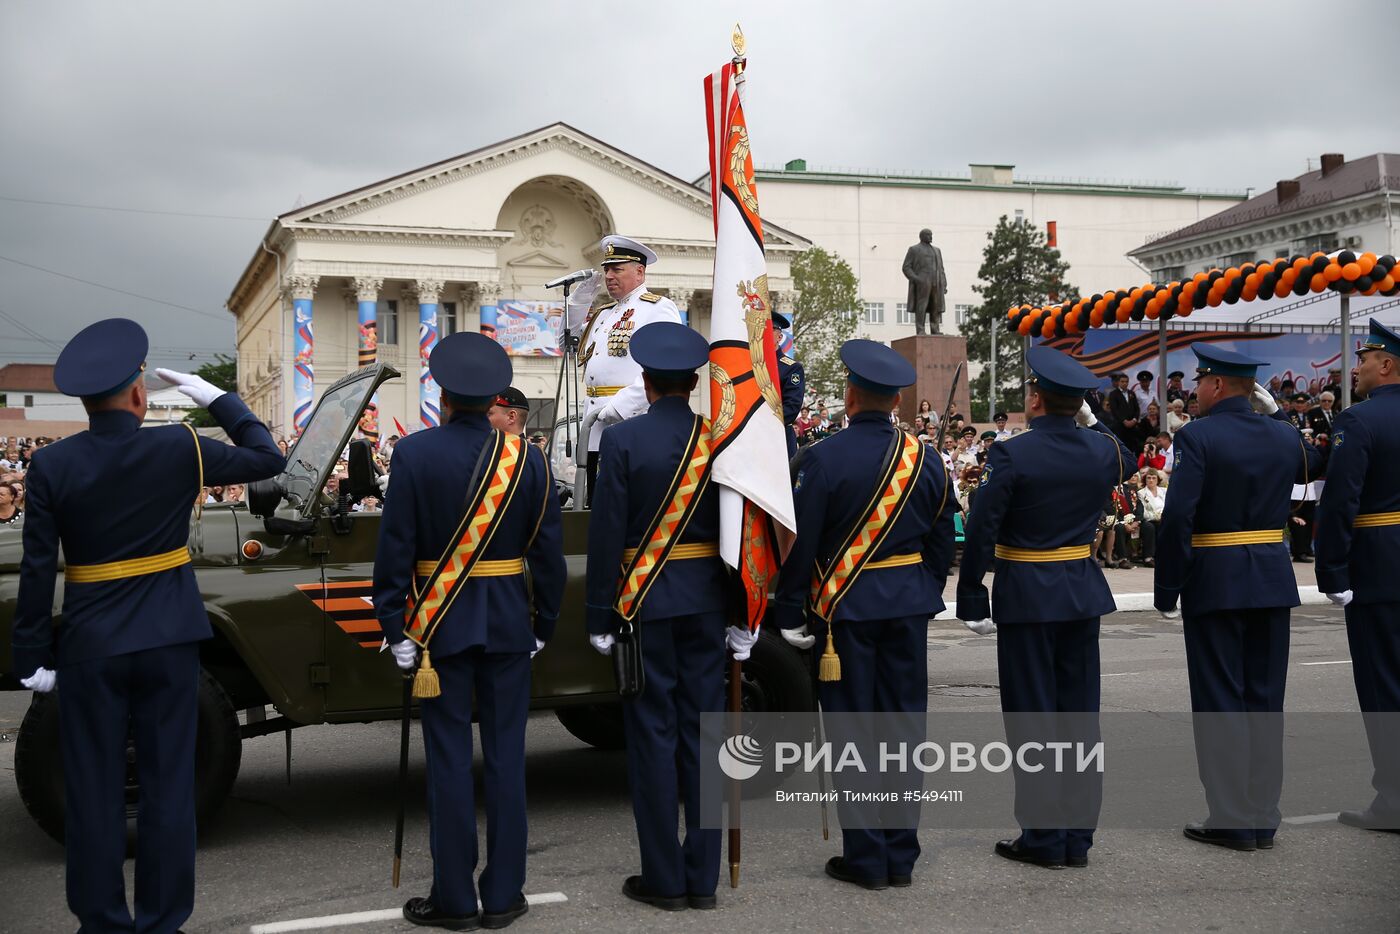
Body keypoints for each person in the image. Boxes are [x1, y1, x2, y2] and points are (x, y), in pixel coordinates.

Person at [10, 318, 283, 934]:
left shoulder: (51, 465)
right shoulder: (178, 446)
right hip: (166, 641)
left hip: (90, 644)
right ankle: (162, 921)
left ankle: (102, 922)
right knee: (167, 792)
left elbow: (36, 566)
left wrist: (30, 651)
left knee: (93, 793)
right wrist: (219, 399)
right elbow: (270, 458)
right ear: (139, 393)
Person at [373, 332, 565, 931]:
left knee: (450, 764)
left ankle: (454, 899)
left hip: (439, 629)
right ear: (492, 401)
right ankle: (504, 895)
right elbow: (548, 555)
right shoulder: (526, 457)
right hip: (509, 624)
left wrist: (395, 626)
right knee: (507, 761)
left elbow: (395, 549)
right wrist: (545, 622)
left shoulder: (413, 454)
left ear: (442, 392)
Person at [775, 339, 955, 890]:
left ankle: (866, 857)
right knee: (903, 731)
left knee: (853, 734)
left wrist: (790, 609)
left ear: (850, 397)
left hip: (843, 612)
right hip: (906, 606)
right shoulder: (926, 459)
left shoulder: (822, 457)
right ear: (897, 402)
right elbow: (943, 540)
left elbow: (800, 546)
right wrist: (917, 586)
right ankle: (900, 854)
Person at [957, 346, 1135, 870]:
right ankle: (1077, 837)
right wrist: (1087, 412)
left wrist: (971, 593)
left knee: (1033, 720)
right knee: (1080, 719)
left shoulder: (1013, 453)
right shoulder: (1100, 451)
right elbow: (1121, 447)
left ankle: (1042, 837)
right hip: (1079, 590)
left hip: (1028, 592)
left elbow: (984, 525)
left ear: (1034, 399)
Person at [584, 322, 733, 911]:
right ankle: (703, 881)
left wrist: (599, 612)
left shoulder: (622, 443)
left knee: (652, 738)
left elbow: (605, 535)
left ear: (646, 384)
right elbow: (740, 532)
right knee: (705, 737)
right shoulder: (720, 440)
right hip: (707, 601)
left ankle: (663, 879)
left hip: (644, 602)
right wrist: (746, 608)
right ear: (693, 384)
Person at [1154, 343, 1321, 852]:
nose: (1194, 390)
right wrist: (1276, 416)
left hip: (1216, 578)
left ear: (1218, 385)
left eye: (1200, 381)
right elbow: (1314, 464)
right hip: (1270, 575)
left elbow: (1180, 514)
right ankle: (1263, 816)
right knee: (1265, 699)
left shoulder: (1198, 436)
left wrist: (1168, 586)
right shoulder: (1283, 436)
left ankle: (1231, 817)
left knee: (1220, 699)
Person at [1315, 318, 1400, 833]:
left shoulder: (1358, 420)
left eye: (1366, 358)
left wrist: (1332, 570)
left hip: (1380, 566)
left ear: (1387, 365)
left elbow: (1341, 501)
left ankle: (1393, 799)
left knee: (1384, 683)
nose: (1359, 365)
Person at [571, 235, 683, 500]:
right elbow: (568, 337)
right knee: (597, 502)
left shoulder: (657, 309)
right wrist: (580, 298)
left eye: (617, 269)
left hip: (630, 418)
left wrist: (621, 406)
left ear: (640, 271)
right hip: (594, 422)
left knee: (628, 500)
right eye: (606, 269)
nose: (609, 275)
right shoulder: (604, 313)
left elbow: (664, 367)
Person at [774, 311, 806, 459]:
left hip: (778, 436)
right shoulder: (750, 365)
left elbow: (792, 406)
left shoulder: (791, 368)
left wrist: (762, 423)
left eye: (769, 330)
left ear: (779, 337)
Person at [1137, 468, 1166, 566]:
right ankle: (1148, 558)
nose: (1151, 480)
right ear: (1145, 480)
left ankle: (1164, 556)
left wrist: (1164, 516)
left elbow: (1168, 506)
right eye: (1148, 478)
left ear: (1158, 480)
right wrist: (1157, 516)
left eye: (1154, 478)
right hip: (1148, 520)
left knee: (1168, 525)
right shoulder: (1141, 493)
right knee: (1149, 527)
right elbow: (1143, 512)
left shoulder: (1164, 491)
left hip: (1163, 518)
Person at [1107, 372, 1140, 448]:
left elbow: (1137, 408)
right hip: (1120, 426)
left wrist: (1134, 420)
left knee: (1132, 446)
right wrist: (1124, 421)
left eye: (1126, 381)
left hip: (1132, 426)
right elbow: (1114, 410)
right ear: (1118, 382)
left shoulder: (1131, 393)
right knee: (1121, 446)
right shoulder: (1113, 394)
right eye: (1122, 381)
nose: (1125, 383)